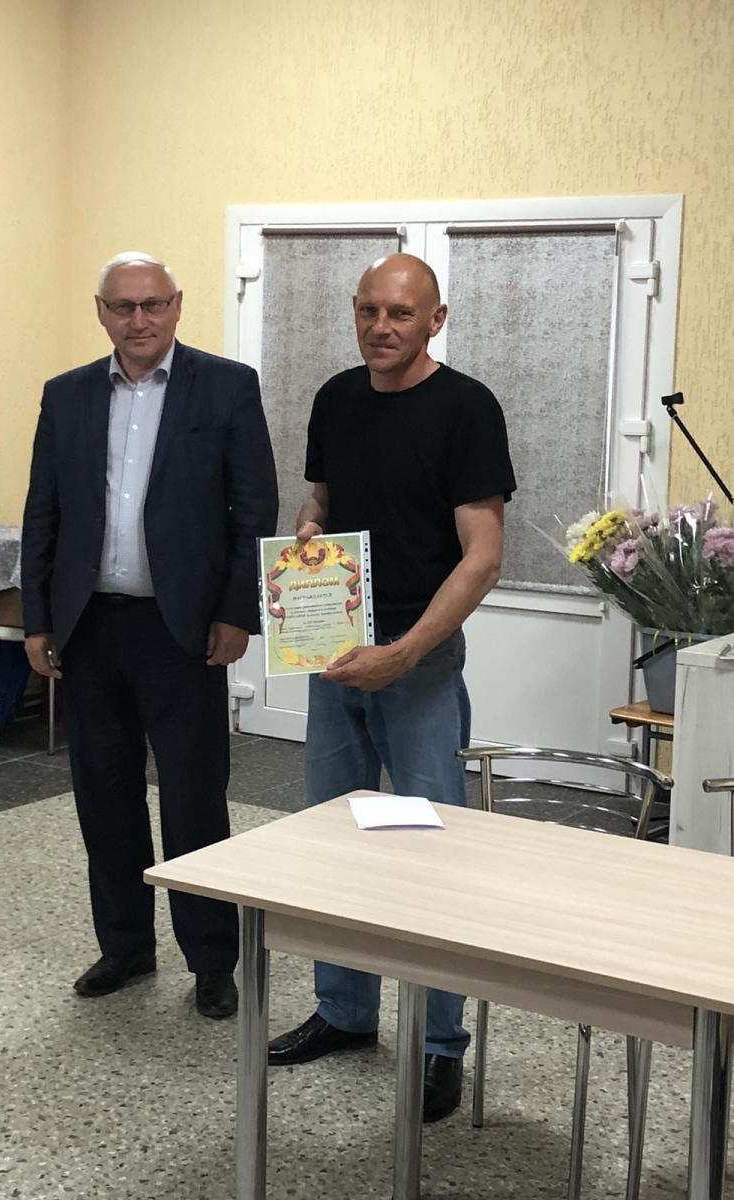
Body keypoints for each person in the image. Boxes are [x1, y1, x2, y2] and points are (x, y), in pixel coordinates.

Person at [267, 253, 516, 1120]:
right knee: (333, 840)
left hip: (417, 667)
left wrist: (404, 654)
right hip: (334, 657)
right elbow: (322, 501)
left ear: (435, 320)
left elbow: (483, 558)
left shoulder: (467, 409)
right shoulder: (336, 398)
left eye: (401, 314)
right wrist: (308, 531)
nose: (381, 327)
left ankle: (442, 1044)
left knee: (428, 854)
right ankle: (344, 1011)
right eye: (369, 310)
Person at [21, 251, 278, 1018]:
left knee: (194, 798)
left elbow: (253, 510)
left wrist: (237, 613)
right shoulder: (66, 395)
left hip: (184, 631)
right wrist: (38, 618)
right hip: (90, 627)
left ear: (177, 305)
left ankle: (212, 959)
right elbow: (42, 512)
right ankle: (126, 946)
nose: (140, 320)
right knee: (103, 795)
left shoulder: (227, 387)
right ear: (101, 311)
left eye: (153, 304)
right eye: (123, 306)